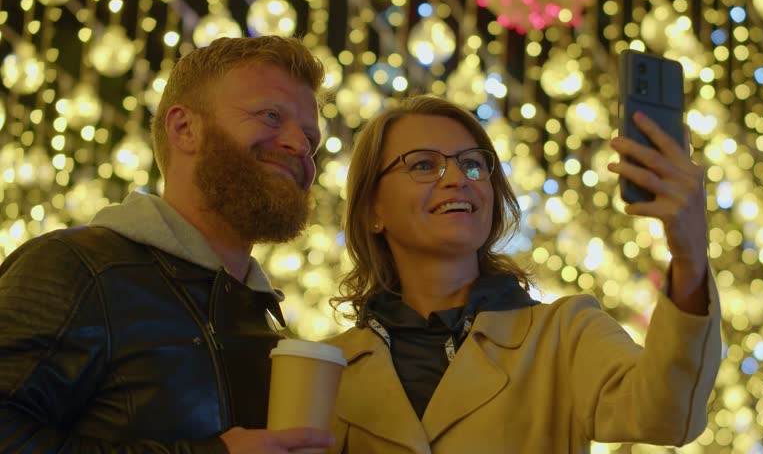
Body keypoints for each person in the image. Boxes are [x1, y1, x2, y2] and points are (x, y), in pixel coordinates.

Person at [323, 95, 721, 453]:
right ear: (371, 210)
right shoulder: (329, 368)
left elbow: (668, 413)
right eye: (424, 165)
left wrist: (689, 258)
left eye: (472, 164)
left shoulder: (564, 334)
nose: (457, 178)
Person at [0, 36, 335, 453]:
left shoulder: (268, 325)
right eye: (271, 116)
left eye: (311, 140)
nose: (300, 146)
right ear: (184, 128)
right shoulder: (79, 269)